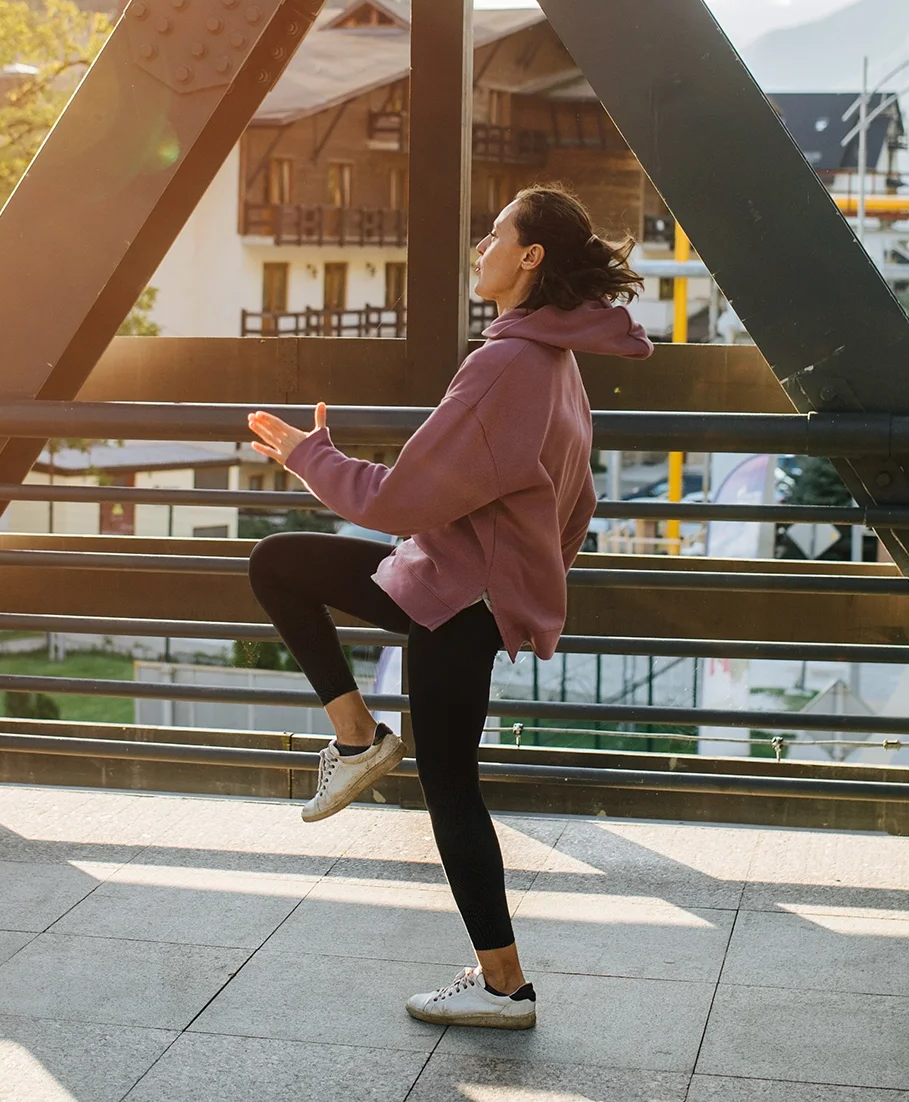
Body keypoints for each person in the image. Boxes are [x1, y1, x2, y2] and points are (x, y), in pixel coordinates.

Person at [245, 184, 652, 1030]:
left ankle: (503, 986)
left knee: (449, 786)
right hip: (459, 585)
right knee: (283, 566)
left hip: (456, 596)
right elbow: (573, 507)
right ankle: (358, 740)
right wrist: (528, 587)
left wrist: (308, 456)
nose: (480, 248)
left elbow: (399, 499)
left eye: (495, 234)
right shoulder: (556, 364)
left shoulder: (506, 365)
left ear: (530, 256)